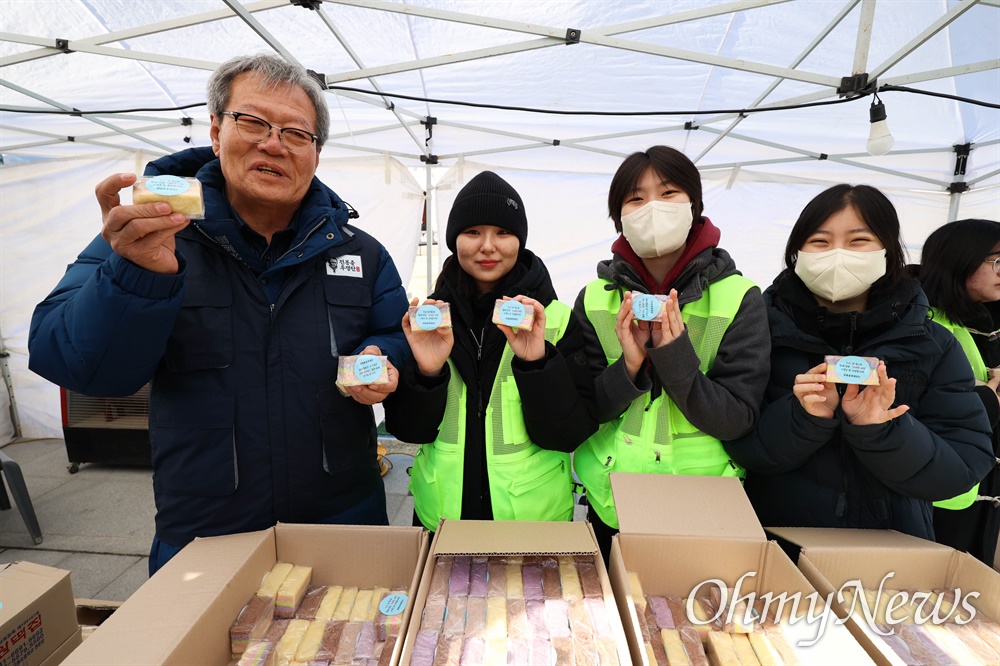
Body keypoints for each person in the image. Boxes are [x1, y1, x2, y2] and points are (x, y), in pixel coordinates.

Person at [28, 53, 411, 574]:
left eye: (296, 133)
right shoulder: (147, 233)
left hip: (343, 517)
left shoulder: (359, 251)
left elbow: (393, 333)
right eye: (252, 121)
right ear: (215, 130)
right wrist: (137, 274)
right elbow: (75, 364)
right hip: (206, 531)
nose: (273, 143)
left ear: (315, 153)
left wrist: (382, 356)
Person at [725, 185, 993, 540]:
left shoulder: (932, 343)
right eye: (820, 242)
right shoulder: (759, 331)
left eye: (858, 241)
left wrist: (881, 429)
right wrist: (803, 418)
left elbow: (962, 467)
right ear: (796, 253)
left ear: (887, 250)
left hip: (893, 558)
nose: (838, 255)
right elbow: (736, 442)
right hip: (777, 546)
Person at [573, 146, 771, 561]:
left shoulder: (739, 297)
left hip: (705, 502)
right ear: (620, 217)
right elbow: (583, 409)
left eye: (668, 193)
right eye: (636, 198)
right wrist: (629, 365)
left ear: (694, 206)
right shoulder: (594, 298)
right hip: (613, 498)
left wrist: (676, 359)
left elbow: (738, 419)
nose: (653, 209)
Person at [384, 171, 598, 531]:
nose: (487, 246)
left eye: (502, 232)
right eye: (472, 233)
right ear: (454, 240)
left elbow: (568, 434)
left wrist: (537, 363)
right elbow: (409, 430)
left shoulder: (556, 319)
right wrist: (428, 373)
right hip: (442, 515)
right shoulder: (431, 318)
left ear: (521, 240)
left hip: (533, 520)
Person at [921, 218, 1000, 565]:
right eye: (997, 261)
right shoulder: (926, 324)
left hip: (962, 481)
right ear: (960, 259)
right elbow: (923, 403)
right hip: (938, 490)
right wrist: (990, 396)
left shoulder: (959, 321)